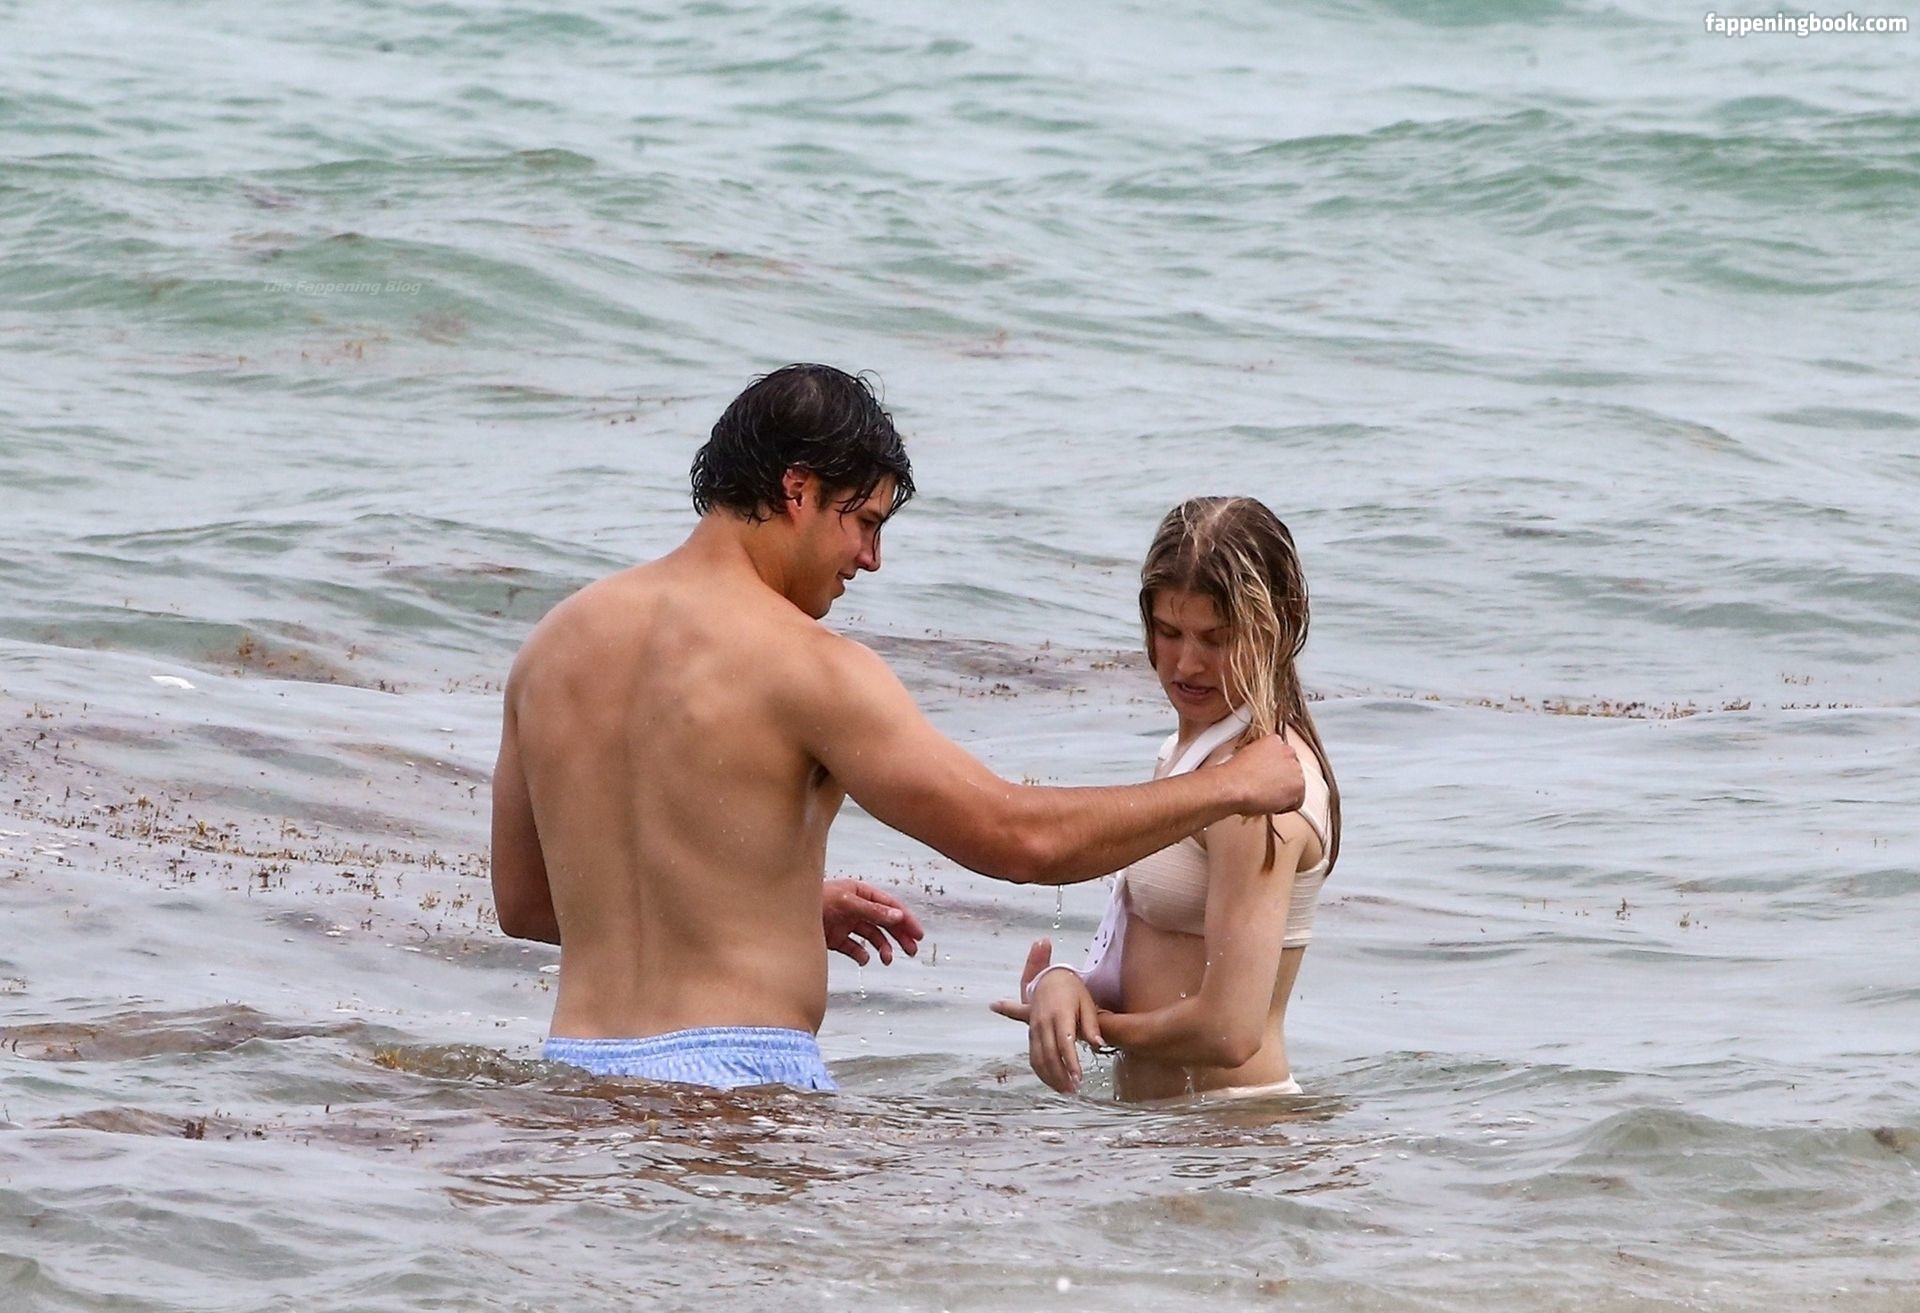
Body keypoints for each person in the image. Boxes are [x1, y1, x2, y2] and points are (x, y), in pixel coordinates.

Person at [490, 366, 1306, 1092]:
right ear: (798, 490)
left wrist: (758, 905)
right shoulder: (809, 665)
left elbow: (525, 905)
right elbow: (1019, 839)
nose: (871, 559)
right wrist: (1229, 785)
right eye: (865, 521)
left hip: (577, 1082)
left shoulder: (552, 647)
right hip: (741, 1086)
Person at [991, 497, 1341, 1102]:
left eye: (1217, 639)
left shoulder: (1258, 796)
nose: (1187, 663)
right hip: (1178, 1131)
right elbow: (1159, 968)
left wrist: (1091, 1026)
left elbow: (1230, 1031)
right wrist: (1063, 987)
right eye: (1169, 632)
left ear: (1278, 628)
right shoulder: (1192, 757)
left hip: (1234, 1130)